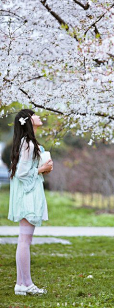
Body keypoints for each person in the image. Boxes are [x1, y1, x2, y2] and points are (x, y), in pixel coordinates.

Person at [8, 109, 53, 296]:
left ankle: (21, 283)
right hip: (27, 196)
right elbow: (22, 173)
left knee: (24, 240)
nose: (39, 116)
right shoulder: (28, 143)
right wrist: (41, 169)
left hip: (27, 194)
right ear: (28, 121)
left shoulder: (27, 142)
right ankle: (26, 283)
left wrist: (42, 168)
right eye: (34, 114)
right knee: (25, 241)